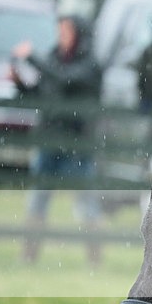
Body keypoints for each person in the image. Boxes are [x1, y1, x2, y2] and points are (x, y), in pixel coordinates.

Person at [10, 14, 103, 266]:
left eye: (66, 30)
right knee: (37, 202)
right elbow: (42, 92)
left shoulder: (90, 64)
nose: (61, 34)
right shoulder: (52, 58)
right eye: (59, 29)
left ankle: (95, 260)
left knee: (87, 205)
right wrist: (20, 83)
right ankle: (28, 258)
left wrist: (31, 57)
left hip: (77, 145)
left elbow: (66, 78)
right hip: (49, 142)